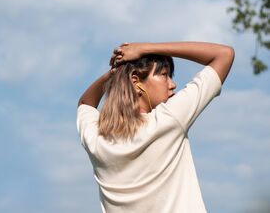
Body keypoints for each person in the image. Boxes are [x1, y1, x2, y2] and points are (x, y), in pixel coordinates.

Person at [77, 42, 234, 213]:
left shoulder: (97, 139)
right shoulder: (168, 119)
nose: (172, 84)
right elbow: (224, 54)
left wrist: (115, 71)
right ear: (136, 82)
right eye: (164, 75)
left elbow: (85, 103)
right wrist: (145, 48)